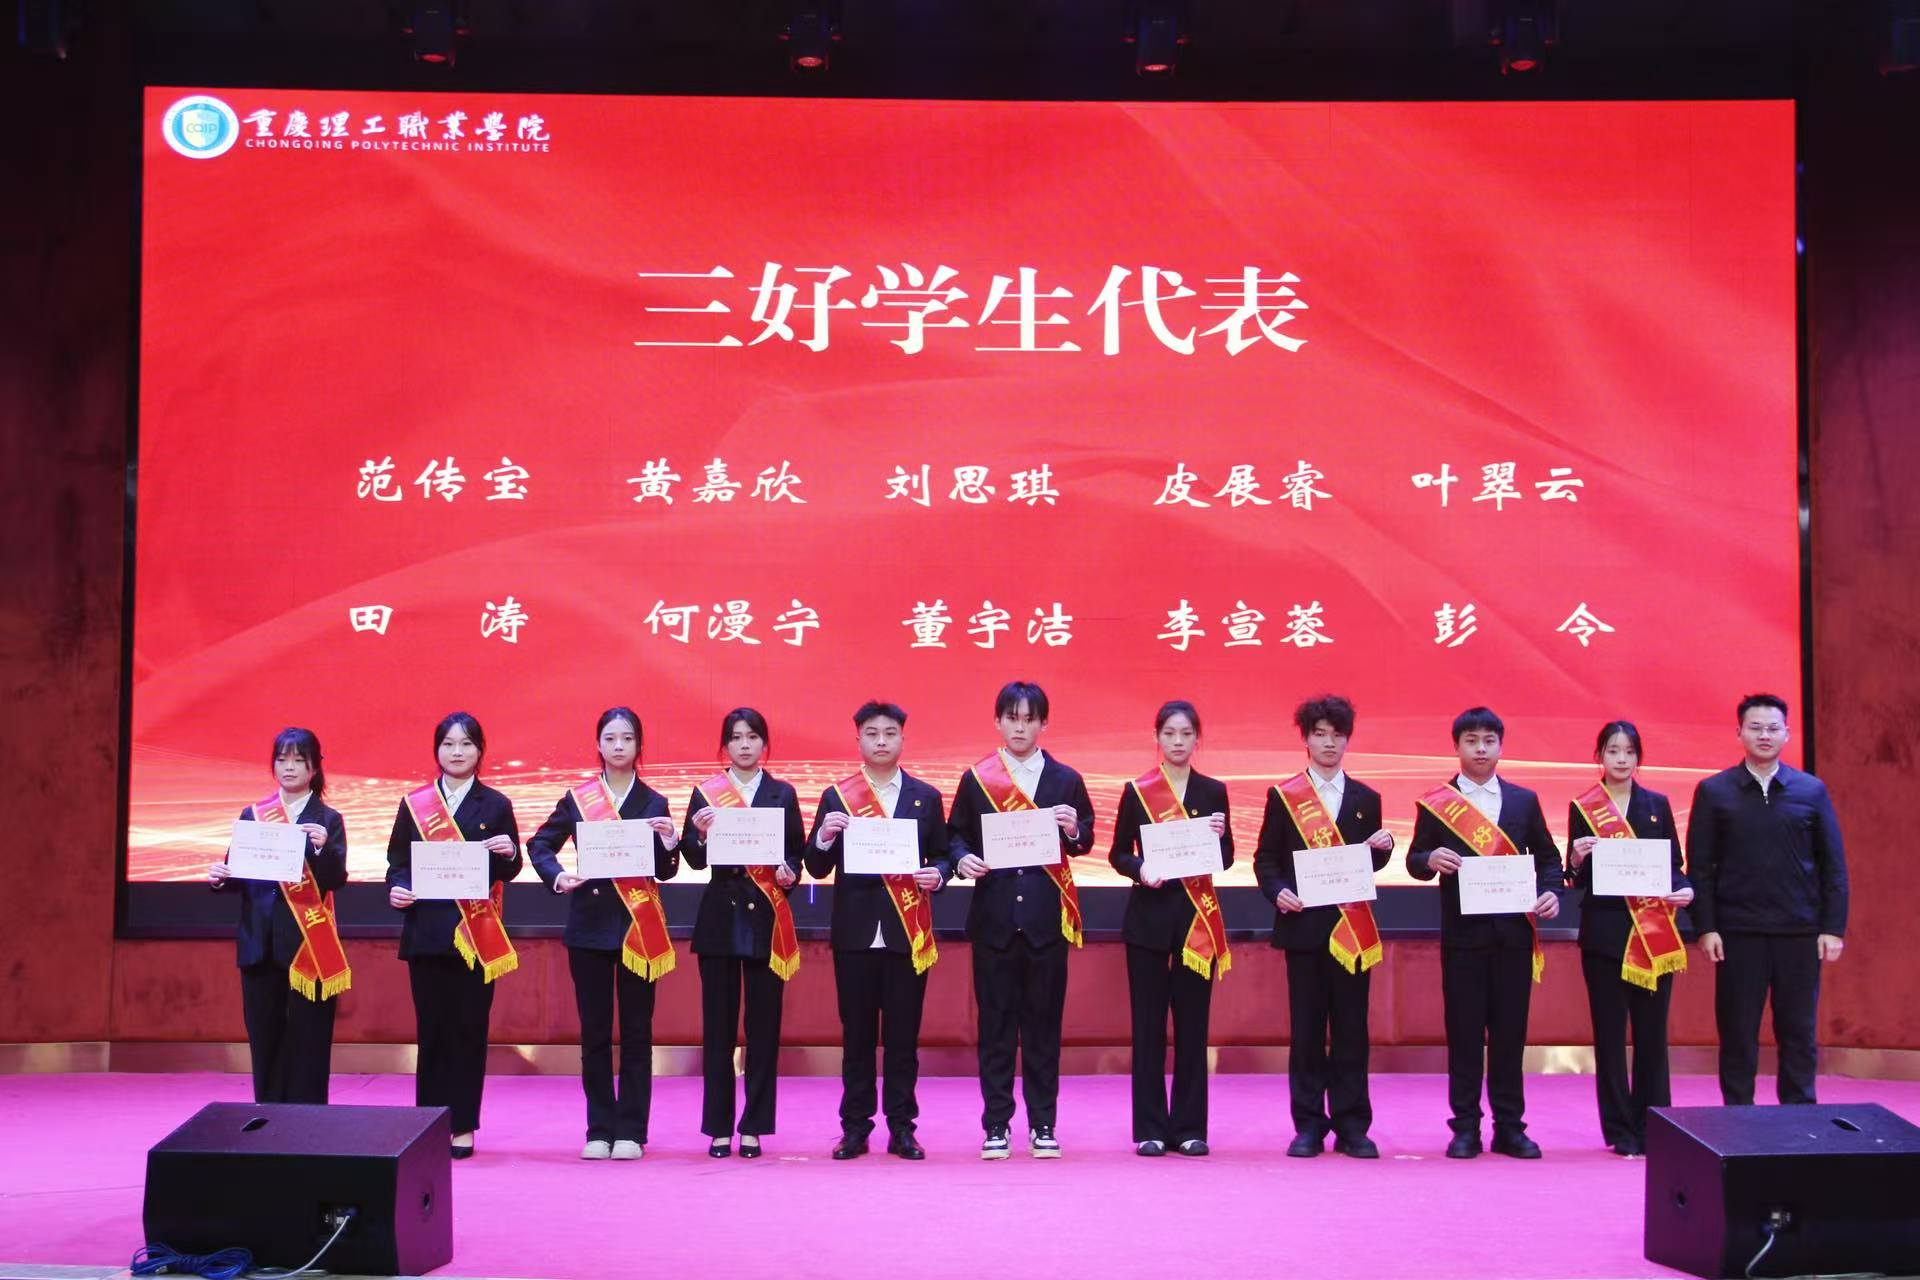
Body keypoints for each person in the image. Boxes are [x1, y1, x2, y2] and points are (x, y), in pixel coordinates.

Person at [1407, 706, 1564, 1159]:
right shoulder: (1437, 803)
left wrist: (1551, 892)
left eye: (1489, 741)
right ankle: (1465, 1128)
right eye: (1471, 741)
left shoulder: (1523, 801)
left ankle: (1510, 1128)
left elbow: (1548, 859)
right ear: (1456, 746)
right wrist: (1429, 859)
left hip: (1514, 938)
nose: (1480, 749)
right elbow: (1415, 859)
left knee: (1510, 1037)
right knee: (1464, 1036)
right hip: (1463, 940)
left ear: (1500, 746)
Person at [948, 680, 1096, 1160]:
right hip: (993, 922)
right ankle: (996, 1125)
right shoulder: (977, 779)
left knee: (1042, 1031)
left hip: (1045, 923)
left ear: (1043, 724)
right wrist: (962, 859)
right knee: (994, 1030)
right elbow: (956, 836)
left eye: (1029, 719)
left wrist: (1073, 829)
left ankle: (1043, 1123)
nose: (1020, 727)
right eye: (1012, 718)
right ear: (998, 722)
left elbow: (1086, 838)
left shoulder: (1065, 779)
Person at [527, 707, 681, 1161]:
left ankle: (631, 1130)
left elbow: (666, 871)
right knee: (594, 1034)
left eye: (627, 738)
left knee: (637, 1033)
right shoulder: (579, 799)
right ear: (598, 744)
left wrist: (670, 842)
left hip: (639, 932)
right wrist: (558, 876)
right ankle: (598, 1128)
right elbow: (540, 843)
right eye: (610, 738)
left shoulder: (654, 802)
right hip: (589, 929)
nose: (618, 746)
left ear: (639, 745)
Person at [805, 700, 951, 1160]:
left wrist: (939, 874)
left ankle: (902, 1127)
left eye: (890, 733)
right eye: (872, 733)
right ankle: (855, 1127)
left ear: (903, 738)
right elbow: (816, 865)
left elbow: (943, 854)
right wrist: (825, 836)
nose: (881, 741)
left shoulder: (926, 797)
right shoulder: (837, 797)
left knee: (904, 1038)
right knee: (858, 1037)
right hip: (855, 934)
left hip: (908, 934)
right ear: (859, 740)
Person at [1687, 693, 1848, 1106]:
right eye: (1755, 727)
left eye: (1773, 728)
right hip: (1738, 934)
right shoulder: (1714, 791)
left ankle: (1799, 1119)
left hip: (1799, 933)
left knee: (1798, 1032)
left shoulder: (1810, 790)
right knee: (1738, 1033)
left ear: (1787, 734)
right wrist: (1706, 927)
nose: (1764, 735)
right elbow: (1700, 867)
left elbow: (1833, 865)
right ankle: (1737, 1118)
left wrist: (1833, 928)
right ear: (1739, 732)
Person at [1253, 694, 1393, 1159]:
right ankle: (1309, 1125)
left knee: (1352, 1031)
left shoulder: (1366, 799)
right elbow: (1266, 860)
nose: (1329, 743)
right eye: (1320, 734)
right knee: (1307, 1032)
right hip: (1305, 930)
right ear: (1306, 739)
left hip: (1352, 931)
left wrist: (1384, 849)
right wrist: (1277, 891)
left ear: (1348, 739)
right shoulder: (1283, 797)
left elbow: (1369, 864)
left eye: (1337, 734)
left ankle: (1353, 1126)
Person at [386, 711, 523, 1159]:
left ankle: (462, 1125)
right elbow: (397, 862)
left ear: (480, 751)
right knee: (431, 1034)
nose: (457, 752)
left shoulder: (496, 804)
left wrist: (509, 853)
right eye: (448, 743)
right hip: (426, 934)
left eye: (466, 744)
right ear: (437, 750)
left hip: (475, 936)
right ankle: (428, 1124)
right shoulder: (415, 804)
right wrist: (397, 888)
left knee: (468, 1032)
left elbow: (510, 868)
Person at [1107, 699, 1232, 1158]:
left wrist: (1219, 837)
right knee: (1148, 1028)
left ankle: (1190, 1127)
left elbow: (1227, 859)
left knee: (1193, 1028)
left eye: (1186, 734)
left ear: (1198, 739)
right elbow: (1118, 853)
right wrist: (1140, 869)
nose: (1178, 742)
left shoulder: (1213, 792)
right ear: (1157, 737)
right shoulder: (1138, 791)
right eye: (1169, 733)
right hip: (1148, 923)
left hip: (1197, 923)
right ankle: (1151, 1128)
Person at [679, 707, 806, 1158]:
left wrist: (790, 873)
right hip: (719, 920)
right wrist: (698, 836)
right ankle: (718, 1127)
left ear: (764, 744)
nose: (745, 744)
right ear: (725, 746)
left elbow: (796, 854)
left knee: (763, 1029)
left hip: (767, 922)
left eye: (752, 737)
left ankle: (753, 1125)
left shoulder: (782, 793)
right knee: (718, 1030)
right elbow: (693, 858)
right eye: (736, 737)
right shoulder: (707, 793)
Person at [1567, 720, 1692, 1155]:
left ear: (1639, 757)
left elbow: (1674, 866)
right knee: (1609, 1037)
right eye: (1612, 751)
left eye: (1629, 752)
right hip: (1604, 936)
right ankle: (1619, 1129)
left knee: (1652, 1037)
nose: (1621, 759)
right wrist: (1576, 859)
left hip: (1652, 935)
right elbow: (1576, 878)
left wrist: (1686, 889)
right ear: (1599, 756)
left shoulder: (1657, 804)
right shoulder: (1584, 807)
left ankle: (1654, 1125)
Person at [207, 726, 349, 1105]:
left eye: (299, 760)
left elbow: (336, 880)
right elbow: (238, 874)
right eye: (282, 759)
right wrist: (221, 878)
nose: (289, 767)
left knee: (309, 1041)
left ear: (314, 768)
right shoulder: (254, 815)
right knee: (265, 1038)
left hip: (308, 947)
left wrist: (322, 850)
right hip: (260, 944)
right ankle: (269, 1118)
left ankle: (307, 1122)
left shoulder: (328, 820)